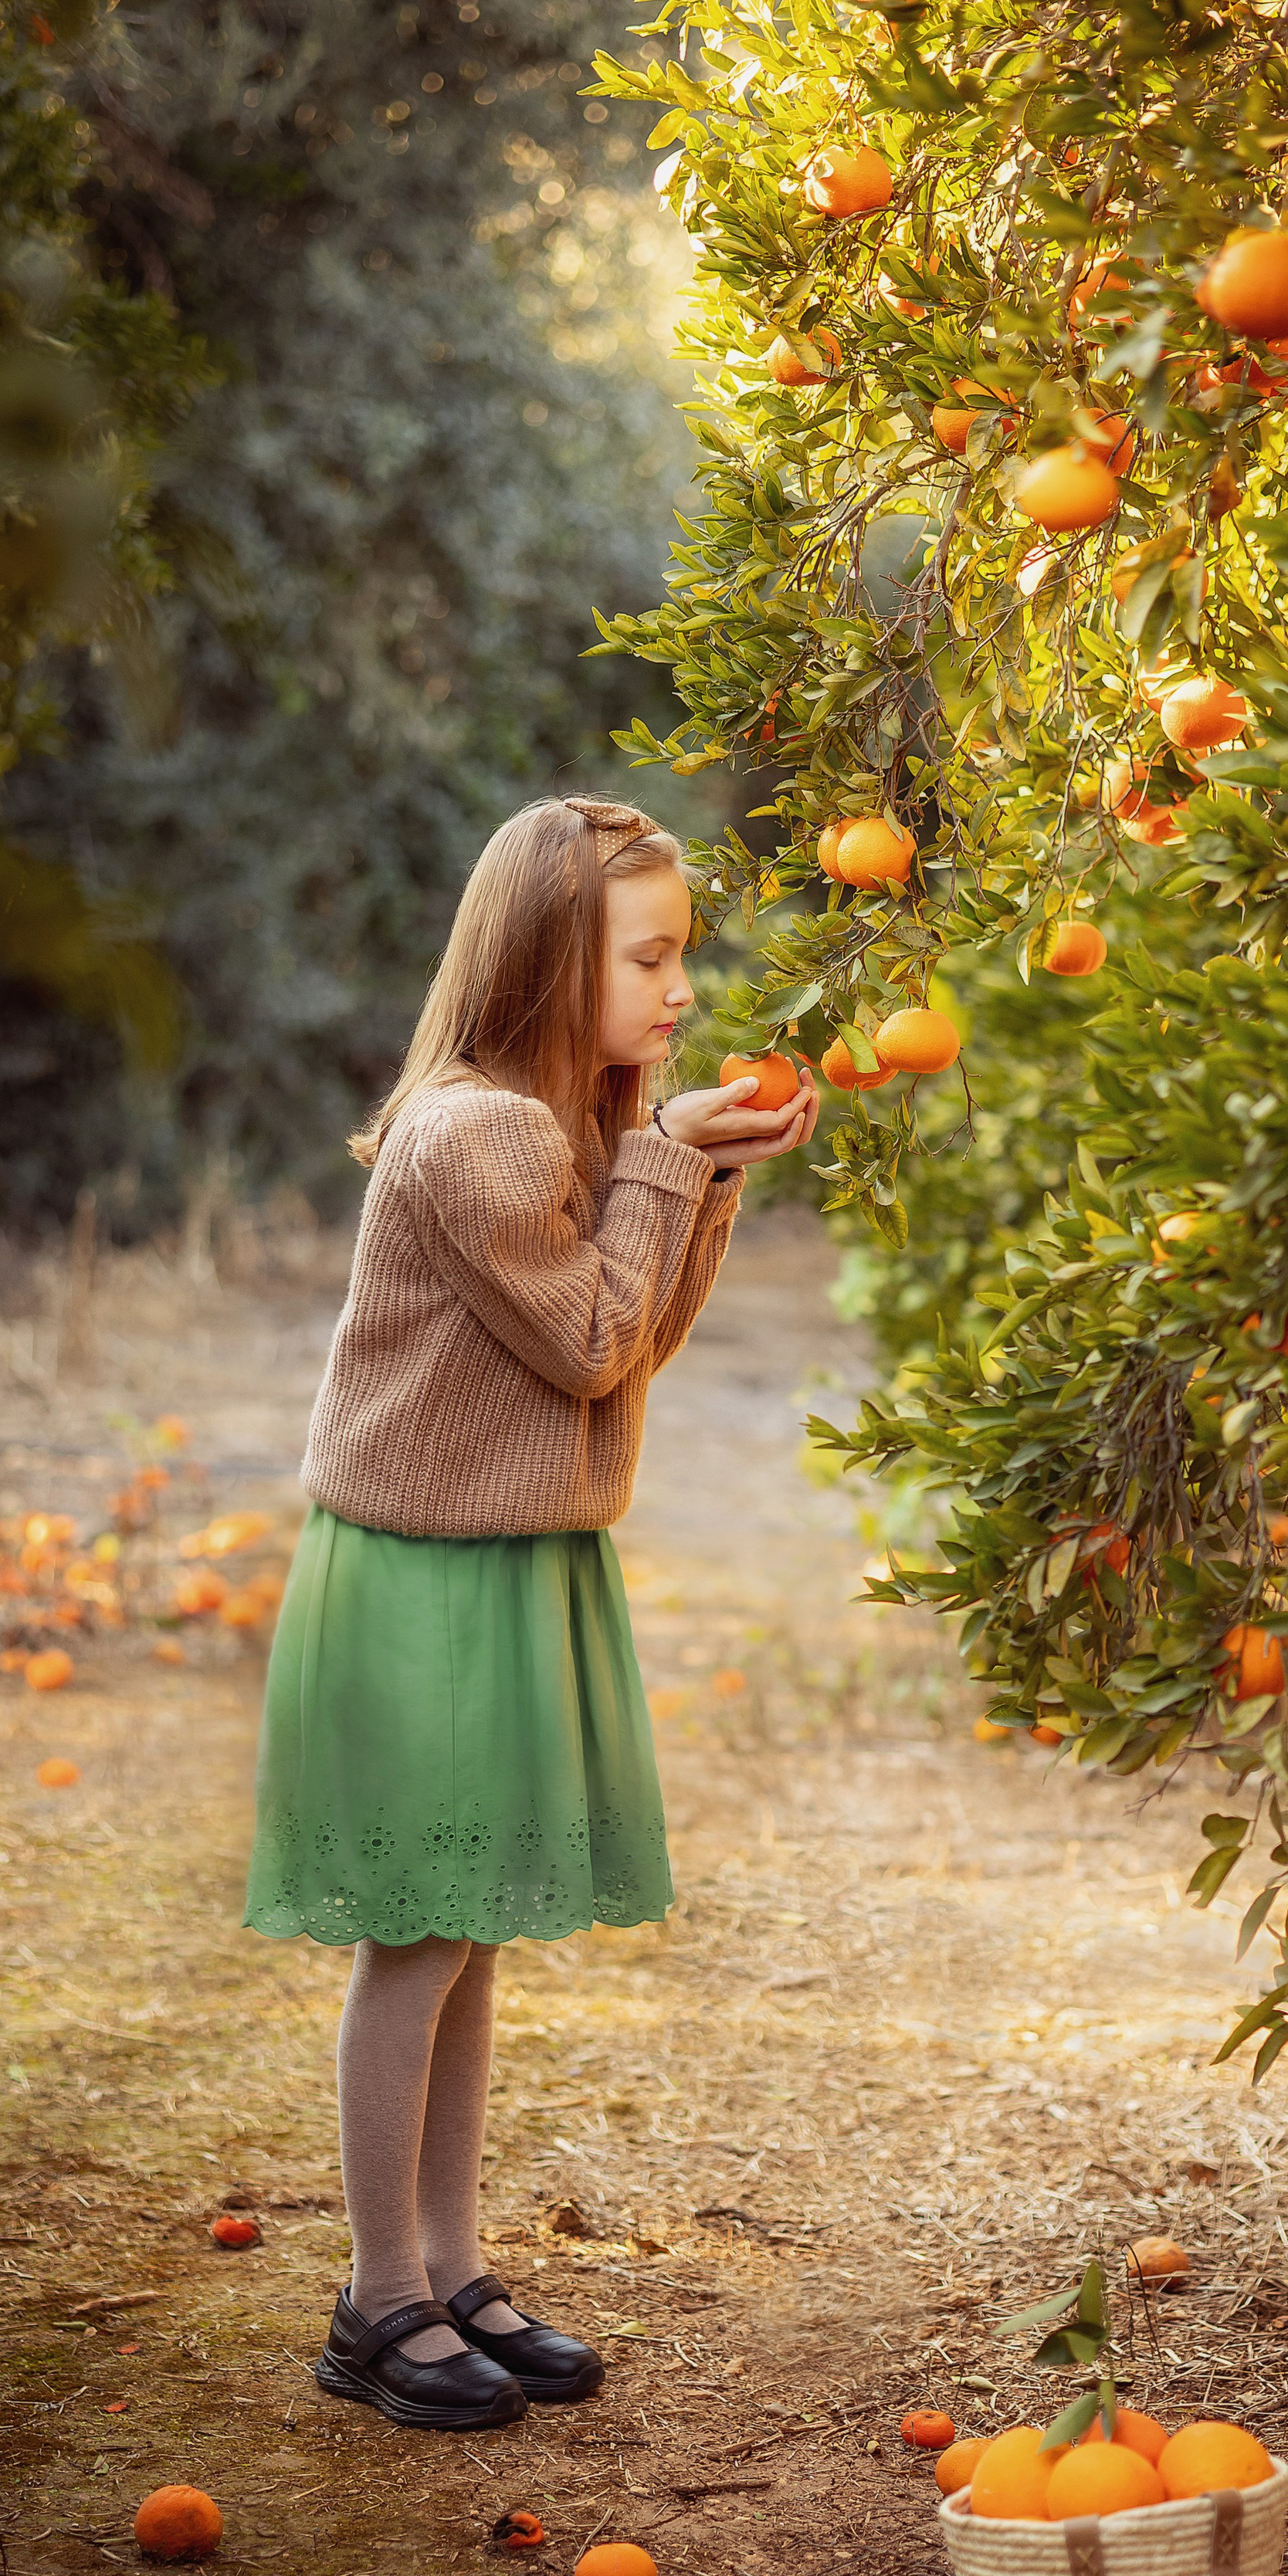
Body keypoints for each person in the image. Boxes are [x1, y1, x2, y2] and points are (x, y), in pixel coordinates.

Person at [244, 795, 817, 2429]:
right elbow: (584, 1346)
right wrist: (661, 1154)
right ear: (545, 958)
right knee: (416, 1943)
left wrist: (687, 1166)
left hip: (511, 1562)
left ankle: (444, 2261)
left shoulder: (559, 1124)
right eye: (647, 957)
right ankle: (376, 2301)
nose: (679, 987)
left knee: (468, 1933)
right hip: (426, 1578)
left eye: (680, 956)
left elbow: (633, 1338)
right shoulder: (480, 1132)